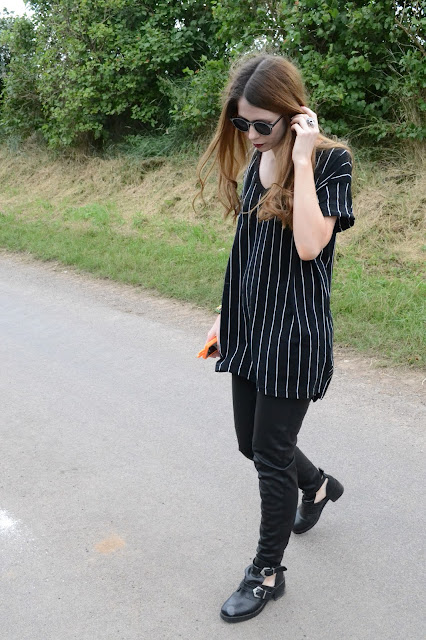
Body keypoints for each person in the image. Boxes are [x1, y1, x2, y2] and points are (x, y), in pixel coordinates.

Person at [197, 53, 354, 623]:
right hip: (249, 326)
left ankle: (267, 572)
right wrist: (224, 314)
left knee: (268, 455)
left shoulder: (331, 162)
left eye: (262, 124)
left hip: (295, 336)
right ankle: (317, 486)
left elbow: (310, 245)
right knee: (253, 443)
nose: (251, 135)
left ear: (294, 113)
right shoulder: (255, 163)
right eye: (242, 123)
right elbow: (246, 251)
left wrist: (303, 160)